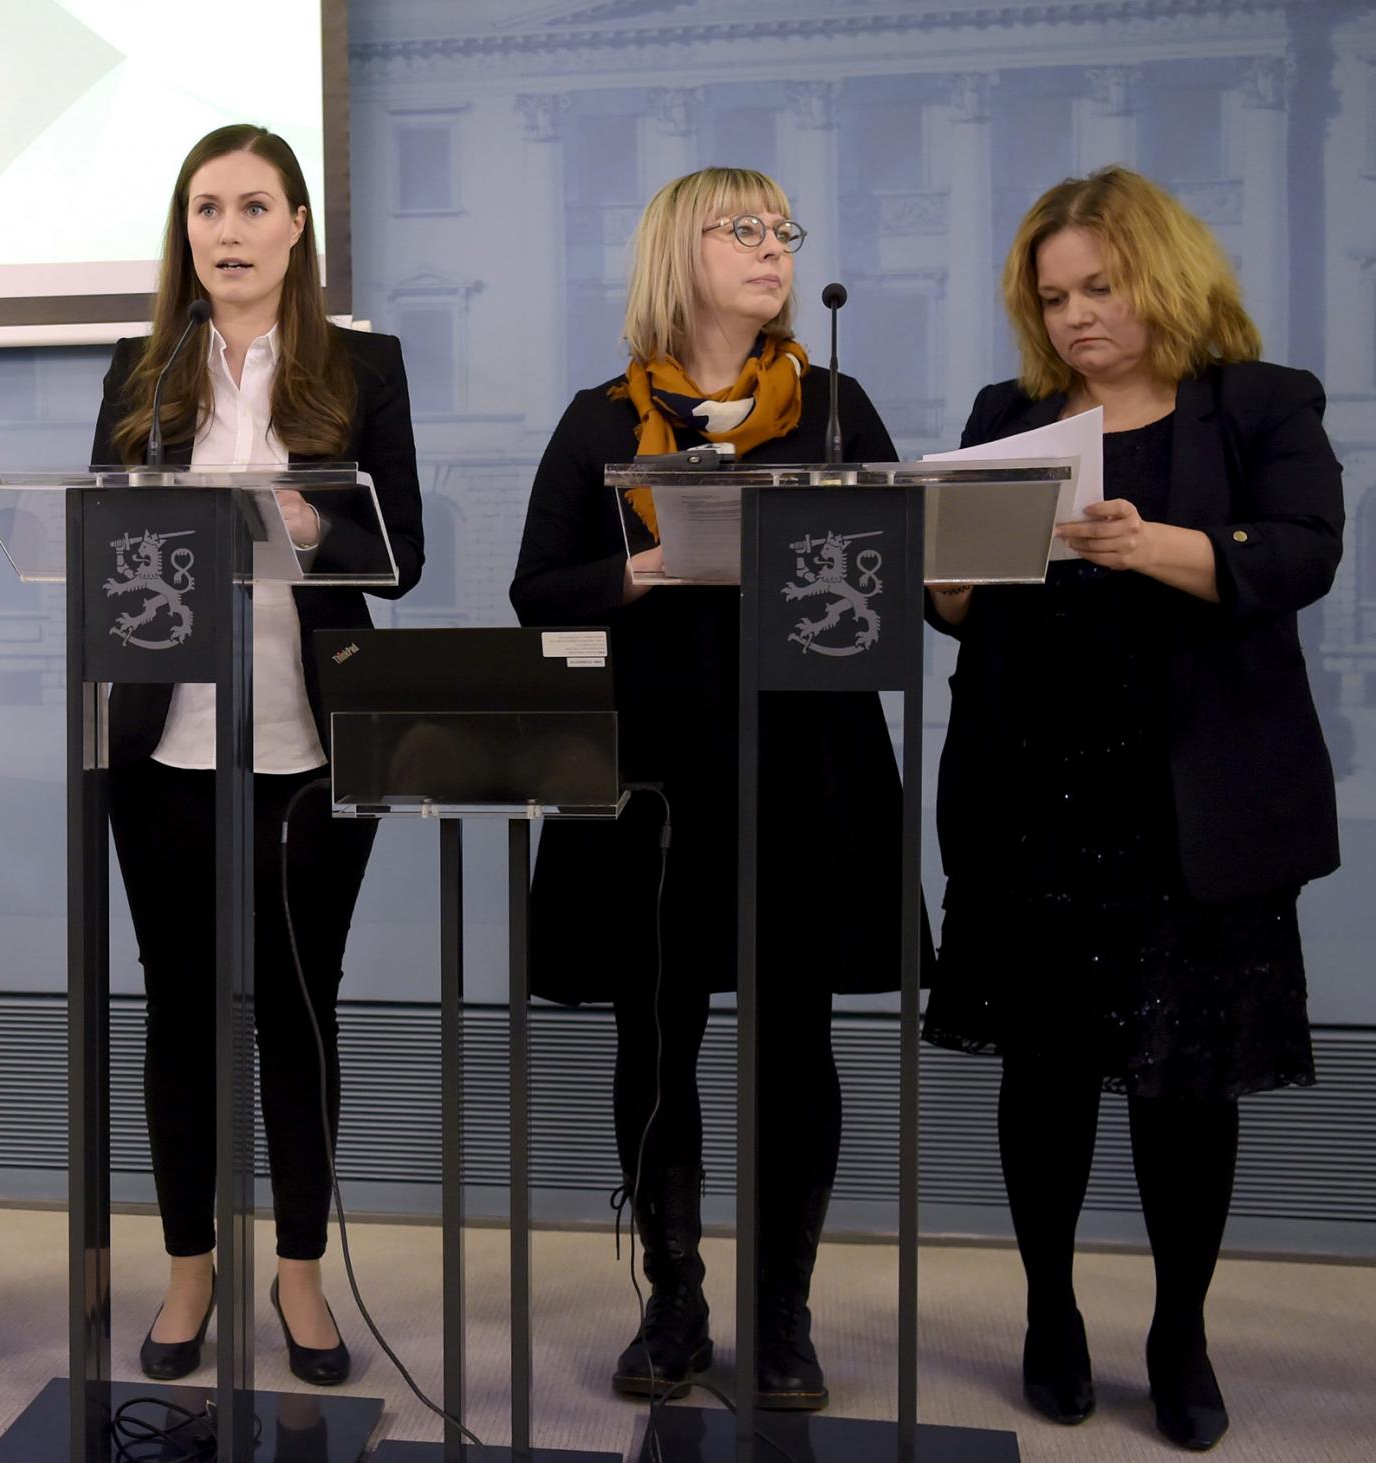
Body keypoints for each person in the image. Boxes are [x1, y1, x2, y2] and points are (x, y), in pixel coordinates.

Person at [923, 166, 1341, 1451]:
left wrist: (1140, 539)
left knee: (1183, 1087)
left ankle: (1177, 1329)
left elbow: (1303, 553)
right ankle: (1050, 1309)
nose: (1075, 318)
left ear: (1162, 275)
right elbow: (955, 603)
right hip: (1032, 793)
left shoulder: (1259, 404)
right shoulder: (1011, 413)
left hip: (1191, 805)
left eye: (1098, 287)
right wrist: (940, 577)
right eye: (1051, 297)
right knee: (1040, 1082)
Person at [511, 167, 913, 1412]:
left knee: (795, 1038)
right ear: (673, 256)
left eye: (780, 228)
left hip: (806, 762)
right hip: (648, 769)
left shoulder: (834, 407)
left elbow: (897, 584)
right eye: (738, 229)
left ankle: (780, 1318)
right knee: (658, 1031)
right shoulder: (599, 420)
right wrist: (634, 575)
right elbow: (539, 590)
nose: (769, 248)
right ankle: (673, 1298)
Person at [89, 123, 423, 1387]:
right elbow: (98, 544)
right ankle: (188, 1268)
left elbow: (405, 552)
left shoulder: (360, 366)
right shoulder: (140, 366)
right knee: (178, 1006)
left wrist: (309, 520)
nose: (225, 231)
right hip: (160, 739)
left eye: (251, 207)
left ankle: (295, 1271)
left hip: (310, 735)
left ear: (295, 228)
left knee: (299, 1007)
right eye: (204, 209)